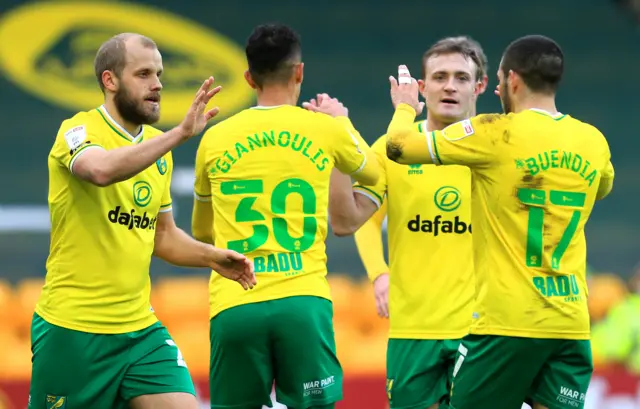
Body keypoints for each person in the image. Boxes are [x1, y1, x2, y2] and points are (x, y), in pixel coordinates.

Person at [385, 35, 615, 409]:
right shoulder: (593, 140)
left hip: (506, 323)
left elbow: (397, 148)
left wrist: (404, 108)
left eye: (499, 80)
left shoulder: (495, 132)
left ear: (512, 80)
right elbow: (600, 187)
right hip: (571, 322)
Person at [29, 33, 255, 409]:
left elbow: (163, 236)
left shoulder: (156, 150)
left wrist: (211, 256)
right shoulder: (78, 130)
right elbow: (99, 170)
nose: (158, 84)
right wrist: (180, 134)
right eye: (144, 74)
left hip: (140, 332)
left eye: (160, 74)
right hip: (73, 331)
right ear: (110, 80)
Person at [191, 23, 379, 409]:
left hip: (235, 304)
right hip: (302, 300)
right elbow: (374, 173)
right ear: (300, 72)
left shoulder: (214, 138)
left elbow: (200, 232)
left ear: (248, 78)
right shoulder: (324, 130)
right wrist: (340, 121)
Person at [321, 36, 488, 409]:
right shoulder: (390, 148)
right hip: (415, 327)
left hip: (483, 328)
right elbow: (358, 219)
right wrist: (379, 273)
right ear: (421, 87)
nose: (449, 85)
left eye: (461, 78)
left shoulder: (496, 147)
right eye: (440, 76)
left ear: (479, 86)